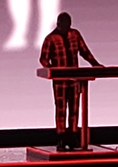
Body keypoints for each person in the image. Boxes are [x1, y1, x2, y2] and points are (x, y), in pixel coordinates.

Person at [38, 12, 103, 150]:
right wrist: (52, 70)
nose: (66, 27)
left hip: (75, 79)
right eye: (64, 24)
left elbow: (84, 51)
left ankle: (73, 136)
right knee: (61, 109)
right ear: (58, 24)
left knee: (74, 108)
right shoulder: (50, 39)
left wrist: (95, 64)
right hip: (60, 81)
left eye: (68, 24)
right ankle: (61, 138)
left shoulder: (75, 35)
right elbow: (43, 59)